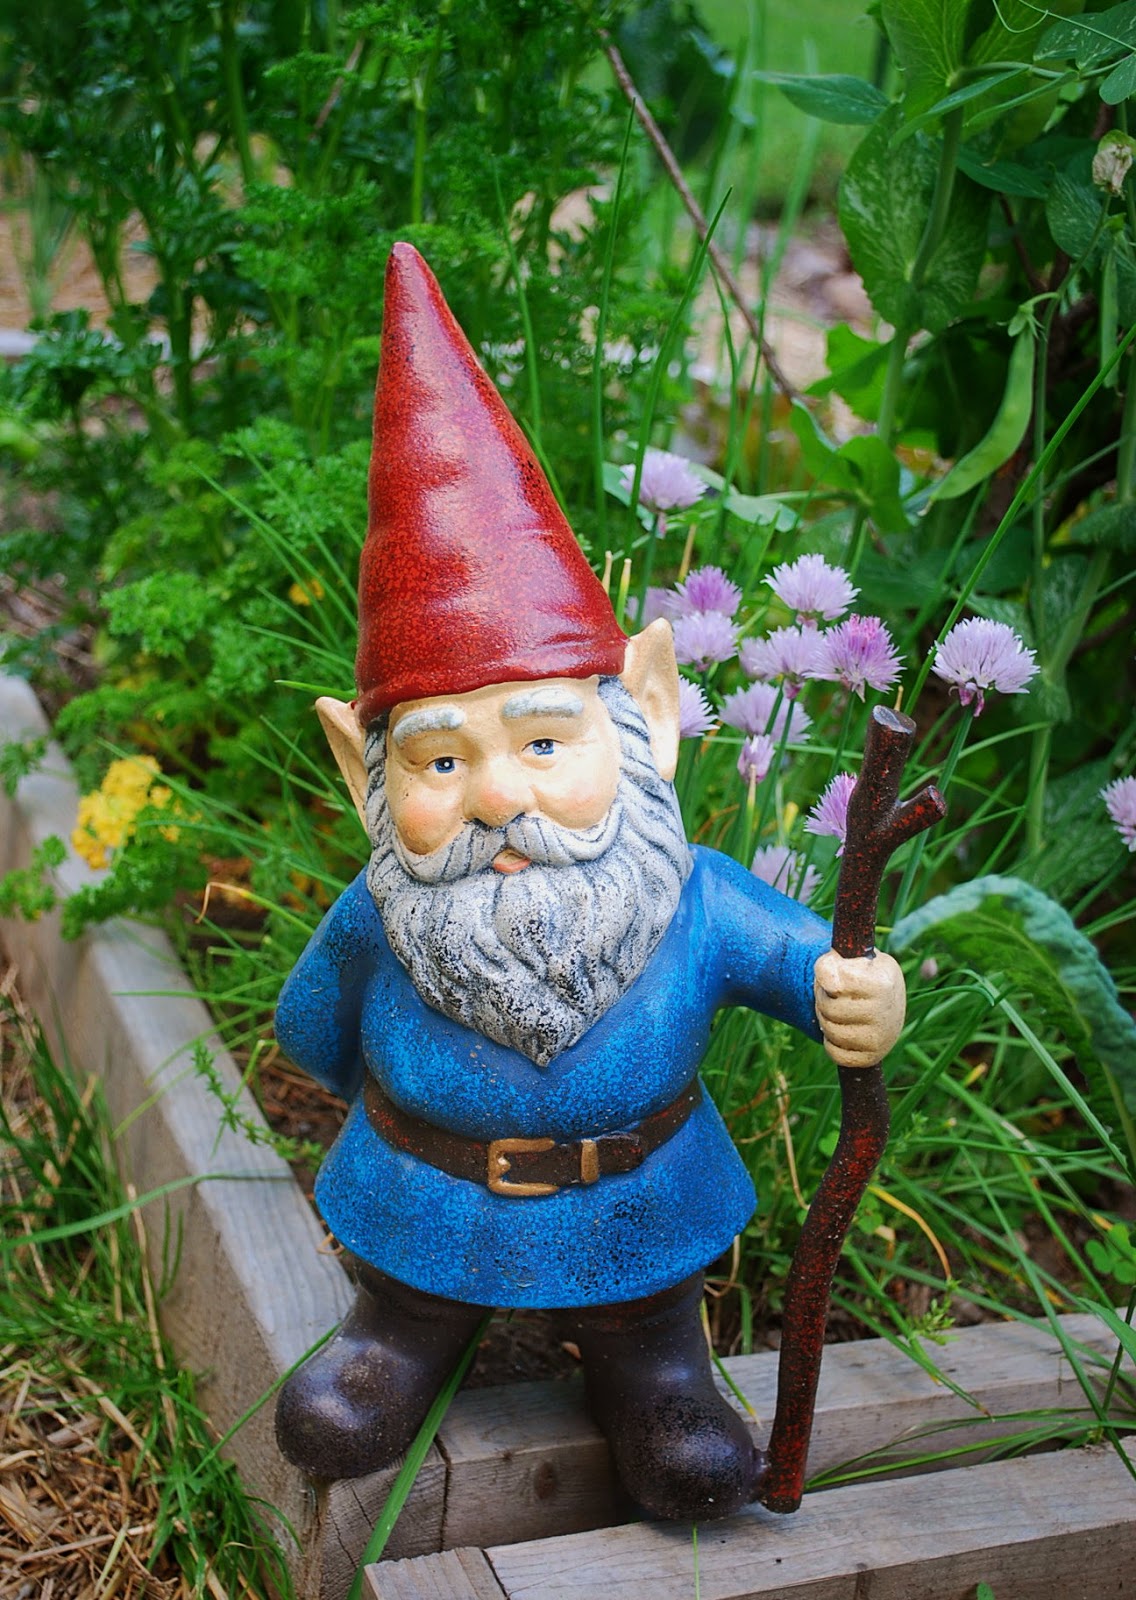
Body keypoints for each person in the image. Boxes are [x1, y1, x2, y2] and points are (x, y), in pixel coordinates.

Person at [273, 243, 904, 1520]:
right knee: (398, 1314)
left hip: (640, 1202)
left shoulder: (690, 897)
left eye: (545, 743)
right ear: (362, 767)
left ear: (646, 716)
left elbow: (801, 962)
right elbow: (315, 1031)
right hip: (423, 1201)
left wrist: (853, 991)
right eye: (439, 759)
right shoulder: (386, 914)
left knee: (655, 1342)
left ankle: (659, 1378)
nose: (496, 796)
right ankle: (396, 1343)